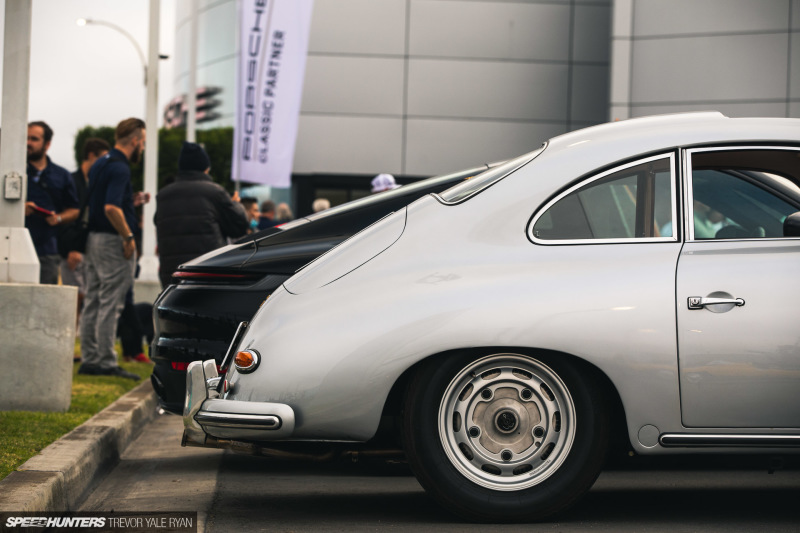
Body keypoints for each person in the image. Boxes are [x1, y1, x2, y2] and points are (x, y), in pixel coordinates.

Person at [78, 118, 146, 380]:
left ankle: (90, 359)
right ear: (135, 140)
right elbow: (111, 208)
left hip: (93, 238)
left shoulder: (101, 163)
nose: (143, 147)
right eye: (143, 142)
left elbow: (102, 202)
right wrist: (128, 236)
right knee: (111, 302)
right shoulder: (120, 167)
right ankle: (106, 361)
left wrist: (130, 201)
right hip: (112, 241)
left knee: (94, 300)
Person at [154, 141, 249, 288]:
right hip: (207, 273)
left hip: (172, 276)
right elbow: (239, 226)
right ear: (206, 168)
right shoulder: (214, 192)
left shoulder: (163, 196)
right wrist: (235, 204)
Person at [62, 138, 110, 332]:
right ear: (91, 156)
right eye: (102, 158)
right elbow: (68, 217)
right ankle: (72, 333)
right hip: (71, 249)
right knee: (76, 295)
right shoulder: (72, 181)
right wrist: (71, 248)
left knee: (87, 294)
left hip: (88, 248)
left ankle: (79, 334)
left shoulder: (94, 182)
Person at [25, 121, 80, 284]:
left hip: (47, 249)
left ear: (47, 144)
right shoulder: (11, 171)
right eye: (26, 138)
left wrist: (58, 218)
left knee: (45, 295)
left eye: (34, 139)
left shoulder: (61, 175)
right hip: (13, 247)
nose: (28, 143)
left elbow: (74, 209)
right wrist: (17, 209)